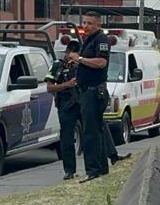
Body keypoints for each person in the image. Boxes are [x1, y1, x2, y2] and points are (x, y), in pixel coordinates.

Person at [71, 11, 112, 182]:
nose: (86, 26)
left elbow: (102, 62)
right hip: (86, 90)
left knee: (90, 132)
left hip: (94, 92)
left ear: (98, 25)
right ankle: (101, 168)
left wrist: (79, 59)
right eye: (84, 23)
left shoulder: (101, 39)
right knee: (96, 130)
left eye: (90, 23)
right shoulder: (88, 40)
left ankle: (93, 170)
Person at [45, 40, 82, 181]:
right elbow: (49, 87)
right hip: (66, 105)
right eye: (71, 55)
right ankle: (69, 170)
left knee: (94, 133)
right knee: (67, 138)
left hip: (82, 103)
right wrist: (66, 84)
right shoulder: (57, 66)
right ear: (67, 53)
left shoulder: (82, 65)